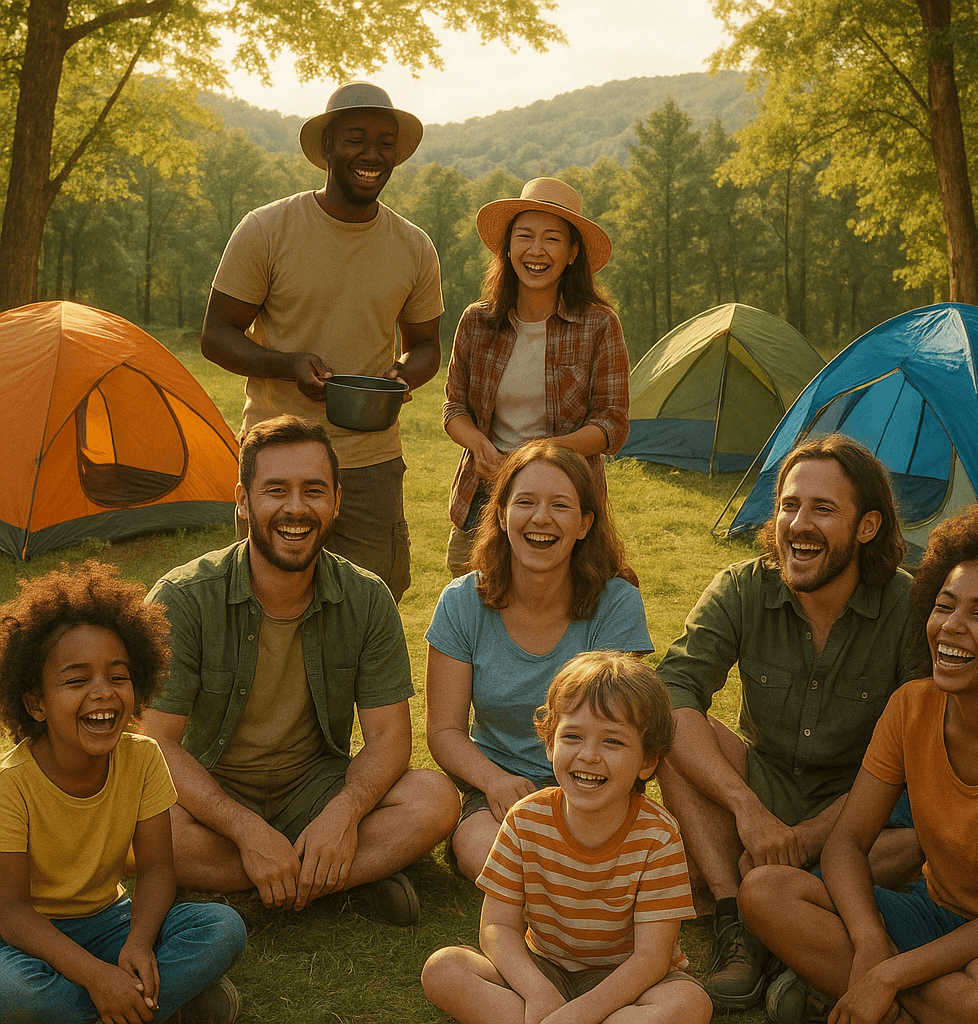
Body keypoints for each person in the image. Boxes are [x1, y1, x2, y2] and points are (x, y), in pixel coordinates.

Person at [141, 415, 459, 926]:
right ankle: (332, 879)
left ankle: (263, 883)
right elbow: (158, 746)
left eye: (313, 490)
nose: (296, 508)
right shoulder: (182, 599)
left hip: (315, 789)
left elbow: (388, 738)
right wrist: (245, 829)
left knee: (436, 800)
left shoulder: (367, 597)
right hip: (212, 794)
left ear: (336, 499)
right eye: (275, 490)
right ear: (243, 500)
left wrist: (344, 814)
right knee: (132, 826)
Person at [656, 434, 924, 1012]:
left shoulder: (908, 607)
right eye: (789, 505)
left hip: (861, 809)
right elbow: (673, 690)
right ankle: (740, 924)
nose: (799, 525)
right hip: (767, 783)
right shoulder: (742, 587)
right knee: (668, 734)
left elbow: (915, 753)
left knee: (918, 843)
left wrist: (807, 839)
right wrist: (748, 810)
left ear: (868, 527)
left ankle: (795, 932)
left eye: (823, 510)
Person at [739, 505, 978, 1024]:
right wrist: (870, 943)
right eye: (944, 606)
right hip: (930, 914)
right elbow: (848, 842)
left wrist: (890, 974)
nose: (952, 628)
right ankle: (910, 1004)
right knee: (765, 890)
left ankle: (873, 998)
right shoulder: (912, 705)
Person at [201, 81, 444, 601]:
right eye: (356, 139)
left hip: (371, 460)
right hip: (278, 456)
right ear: (328, 146)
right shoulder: (267, 229)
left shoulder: (414, 246)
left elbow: (426, 346)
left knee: (373, 598)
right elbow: (216, 335)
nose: (372, 155)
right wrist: (289, 364)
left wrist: (404, 374)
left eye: (386, 143)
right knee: (266, 601)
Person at [0, 561, 247, 1024]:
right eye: (76, 681)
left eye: (117, 676)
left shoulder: (144, 756)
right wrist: (95, 976)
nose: (103, 693)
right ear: (35, 703)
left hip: (108, 922)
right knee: (15, 990)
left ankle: (121, 1004)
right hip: (26, 937)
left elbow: (156, 868)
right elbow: (11, 912)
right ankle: (156, 1005)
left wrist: (137, 943)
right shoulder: (9, 785)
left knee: (222, 927)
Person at [421, 651, 713, 1024]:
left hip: (627, 984)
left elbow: (651, 959)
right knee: (444, 969)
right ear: (549, 743)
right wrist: (539, 993)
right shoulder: (525, 819)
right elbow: (497, 927)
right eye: (572, 736)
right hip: (542, 969)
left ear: (647, 761)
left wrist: (579, 1013)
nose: (588, 755)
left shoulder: (659, 836)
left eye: (613, 742)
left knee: (691, 1003)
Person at [425, 439, 652, 881]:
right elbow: (444, 731)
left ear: (585, 524)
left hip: (594, 782)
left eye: (561, 506)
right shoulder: (460, 603)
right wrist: (493, 781)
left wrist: (576, 796)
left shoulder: (618, 604)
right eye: (525, 502)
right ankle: (560, 903)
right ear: (502, 514)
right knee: (480, 850)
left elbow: (622, 728)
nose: (541, 518)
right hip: (497, 789)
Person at [442, 176, 629, 577]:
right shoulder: (477, 322)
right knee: (471, 595)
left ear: (573, 253)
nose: (536, 250)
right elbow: (454, 406)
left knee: (565, 603)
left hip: (568, 493)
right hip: (485, 488)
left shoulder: (598, 324)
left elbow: (612, 425)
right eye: (524, 236)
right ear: (508, 248)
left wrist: (535, 457)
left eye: (553, 239)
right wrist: (478, 444)